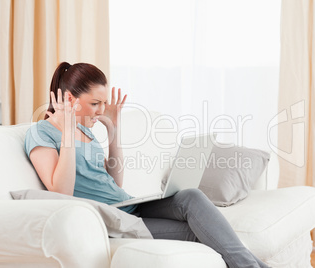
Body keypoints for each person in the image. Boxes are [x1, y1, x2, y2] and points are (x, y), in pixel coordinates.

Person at [25, 62, 270, 268]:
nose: (101, 110)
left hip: (128, 205)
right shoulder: (41, 133)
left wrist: (113, 128)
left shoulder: (84, 130)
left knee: (191, 197)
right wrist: (67, 134)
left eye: (104, 103)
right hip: (110, 218)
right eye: (95, 103)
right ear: (70, 99)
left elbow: (114, 182)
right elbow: (61, 192)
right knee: (199, 230)